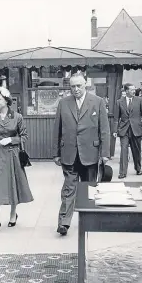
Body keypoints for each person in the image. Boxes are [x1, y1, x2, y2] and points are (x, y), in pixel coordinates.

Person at [53, 73, 110, 236]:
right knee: (68, 189)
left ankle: (90, 220)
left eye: (79, 86)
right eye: (72, 86)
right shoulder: (63, 103)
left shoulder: (97, 102)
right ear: (69, 87)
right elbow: (57, 128)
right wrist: (56, 152)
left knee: (89, 188)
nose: (76, 89)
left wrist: (105, 153)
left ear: (86, 85)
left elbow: (104, 129)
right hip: (69, 153)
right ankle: (64, 222)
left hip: (90, 153)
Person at [0, 87, 33, 236]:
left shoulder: (17, 117)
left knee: (12, 185)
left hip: (12, 155)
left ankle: (13, 213)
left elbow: (24, 136)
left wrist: (11, 139)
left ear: (6, 100)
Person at [113, 83, 142, 179]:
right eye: (132, 89)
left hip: (136, 129)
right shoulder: (119, 102)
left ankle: (138, 168)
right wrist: (114, 130)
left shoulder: (140, 100)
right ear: (126, 91)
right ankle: (122, 172)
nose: (134, 91)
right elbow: (116, 118)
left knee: (136, 151)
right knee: (123, 151)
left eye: (134, 89)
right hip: (124, 130)